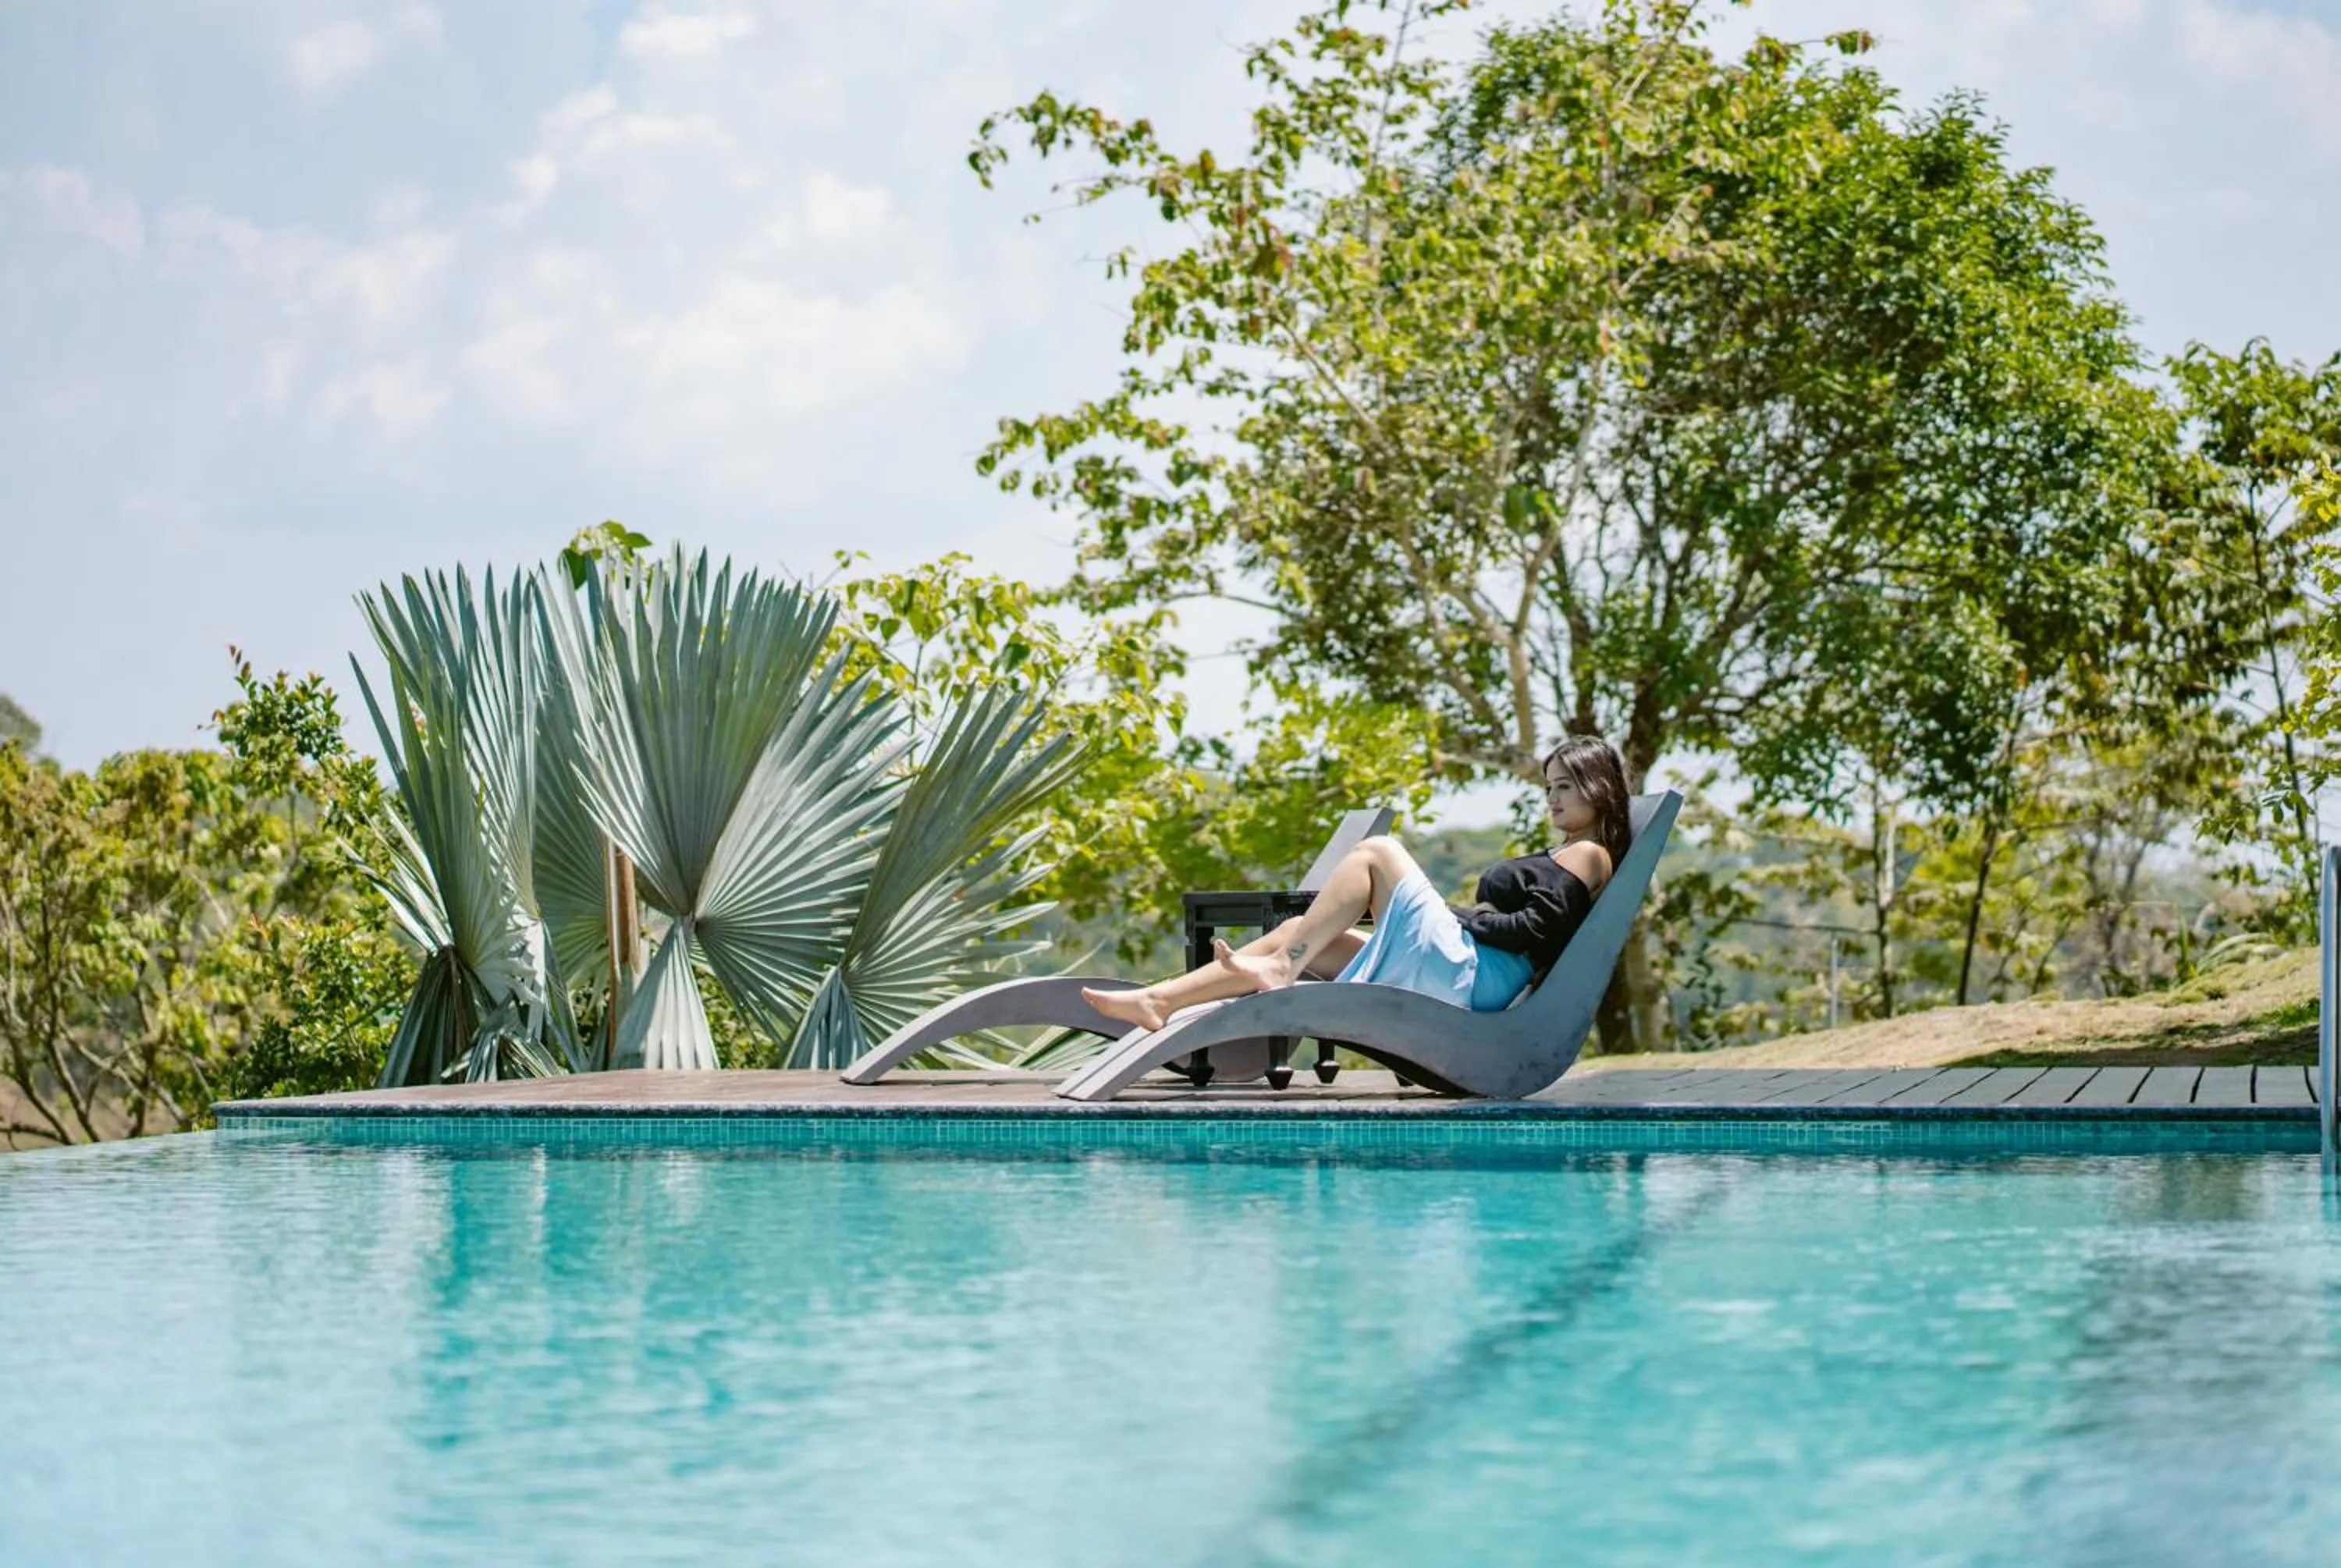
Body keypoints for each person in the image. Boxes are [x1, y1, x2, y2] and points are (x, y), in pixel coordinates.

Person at [1082, 736, 1634, 1033]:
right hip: (1466, 964)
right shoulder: (1569, 850)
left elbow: (1536, 931)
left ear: (1599, 789)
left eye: (1565, 786)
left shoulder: (1589, 854)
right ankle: (1158, 1000)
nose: (1553, 797)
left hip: (1477, 975)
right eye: (1549, 787)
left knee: (1379, 851)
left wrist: (1460, 916)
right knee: (1300, 930)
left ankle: (1278, 968)